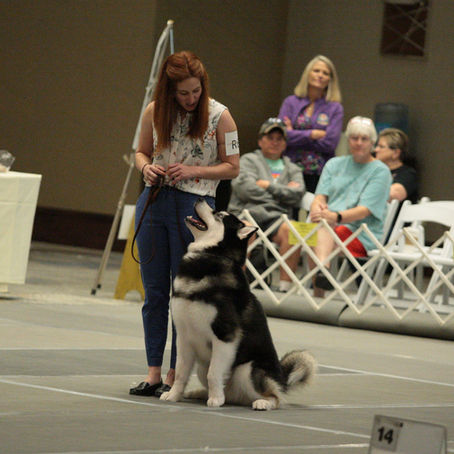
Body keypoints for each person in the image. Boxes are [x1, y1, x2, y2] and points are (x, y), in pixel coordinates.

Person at [130, 51, 240, 397]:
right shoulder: (153, 111)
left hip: (194, 210)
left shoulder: (221, 117)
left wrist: (193, 170)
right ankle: (152, 372)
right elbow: (140, 152)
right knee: (155, 293)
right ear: (169, 91)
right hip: (153, 202)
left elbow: (233, 166)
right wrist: (146, 167)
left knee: (184, 295)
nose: (191, 98)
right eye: (183, 93)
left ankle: (177, 376)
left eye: (195, 91)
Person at [309, 116, 392, 296]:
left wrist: (335, 216)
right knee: (311, 230)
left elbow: (365, 210)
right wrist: (317, 209)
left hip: (361, 232)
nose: (359, 143)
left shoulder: (380, 171)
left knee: (320, 231)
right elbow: (320, 196)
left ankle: (319, 285)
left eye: (364, 139)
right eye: (354, 138)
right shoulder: (333, 164)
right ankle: (322, 274)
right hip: (329, 224)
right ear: (348, 140)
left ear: (372, 142)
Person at [228, 118, 305, 293]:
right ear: (260, 140)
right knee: (244, 230)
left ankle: (285, 289)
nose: (275, 142)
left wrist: (268, 186)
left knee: (294, 231)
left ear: (285, 144)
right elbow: (245, 189)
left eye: (280, 138)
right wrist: (282, 193)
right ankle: (236, 288)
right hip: (246, 214)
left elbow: (298, 194)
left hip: (278, 218)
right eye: (270, 137)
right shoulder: (248, 160)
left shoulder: (293, 168)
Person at [278, 55, 343, 193]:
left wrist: (294, 134)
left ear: (330, 80)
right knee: (289, 212)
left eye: (325, 73)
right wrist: (312, 134)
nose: (320, 75)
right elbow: (281, 136)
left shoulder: (335, 108)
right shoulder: (290, 102)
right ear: (308, 73)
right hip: (290, 167)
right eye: (316, 71)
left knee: (315, 212)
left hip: (320, 172)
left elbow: (330, 144)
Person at [374, 128, 418, 203]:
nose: (376, 150)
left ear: (396, 153)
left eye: (381, 146)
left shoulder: (408, 174)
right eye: (377, 146)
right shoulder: (375, 171)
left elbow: (392, 195)